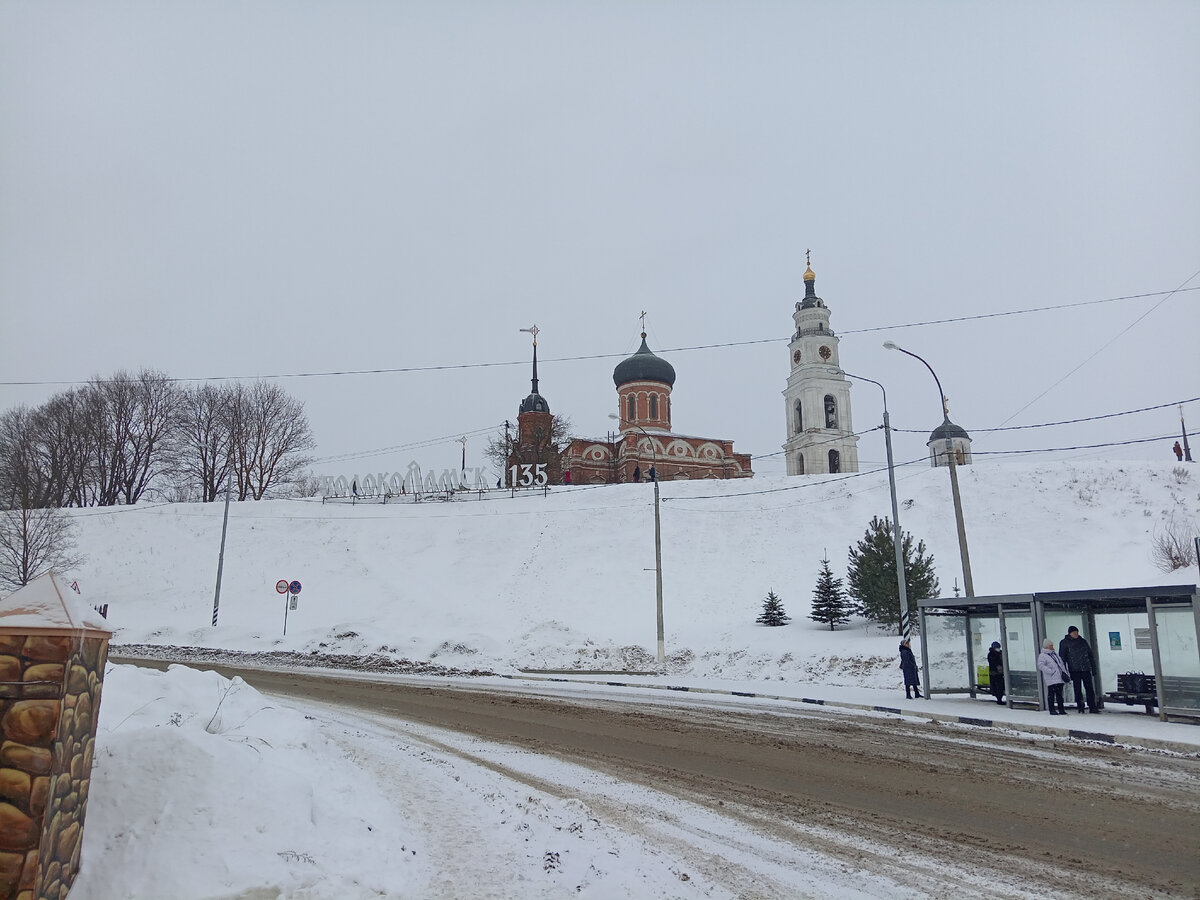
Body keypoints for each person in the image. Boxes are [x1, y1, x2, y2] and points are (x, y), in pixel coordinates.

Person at [1059, 625, 1100, 713]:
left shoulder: (1083, 641)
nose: (1076, 634)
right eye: (1074, 632)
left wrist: (1093, 667)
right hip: (1074, 669)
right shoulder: (1064, 643)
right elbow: (1063, 658)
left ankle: (1092, 706)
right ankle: (1080, 705)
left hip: (1085, 668)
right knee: (1077, 688)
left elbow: (1090, 655)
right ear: (1070, 633)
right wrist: (1064, 671)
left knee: (1089, 688)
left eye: (1077, 632)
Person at [1037, 638, 1070, 715]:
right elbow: (1041, 665)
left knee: (1059, 695)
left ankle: (1061, 709)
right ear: (1047, 646)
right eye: (1051, 645)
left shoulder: (1055, 654)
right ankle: (1052, 709)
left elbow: (1061, 664)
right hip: (1051, 678)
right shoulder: (1043, 656)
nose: (1052, 646)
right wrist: (1050, 671)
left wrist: (1065, 672)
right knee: (1051, 694)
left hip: (1059, 677)